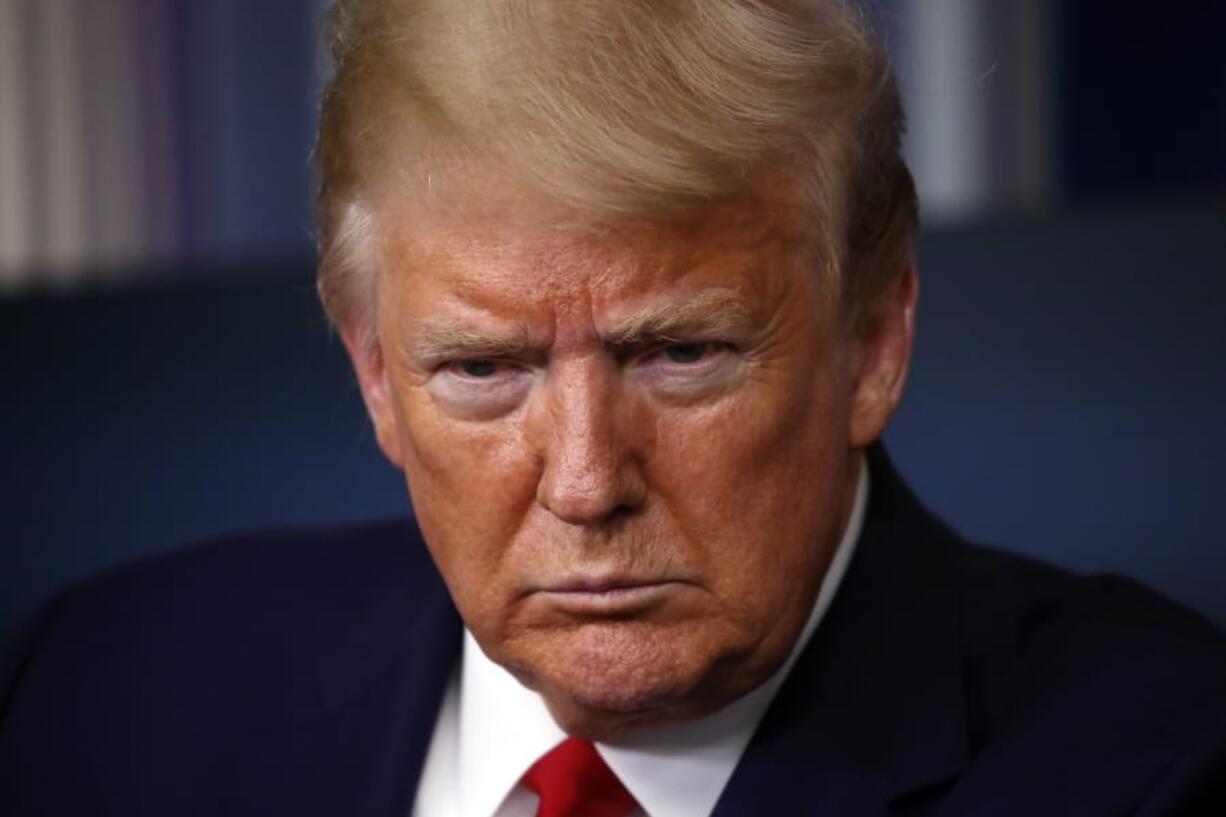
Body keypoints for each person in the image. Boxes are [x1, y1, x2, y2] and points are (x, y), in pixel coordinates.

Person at [2, 0, 1225, 814]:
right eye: (482, 371)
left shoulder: (1161, 766)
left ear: (870, 342)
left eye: (680, 353)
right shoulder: (109, 690)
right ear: (374, 372)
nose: (585, 483)